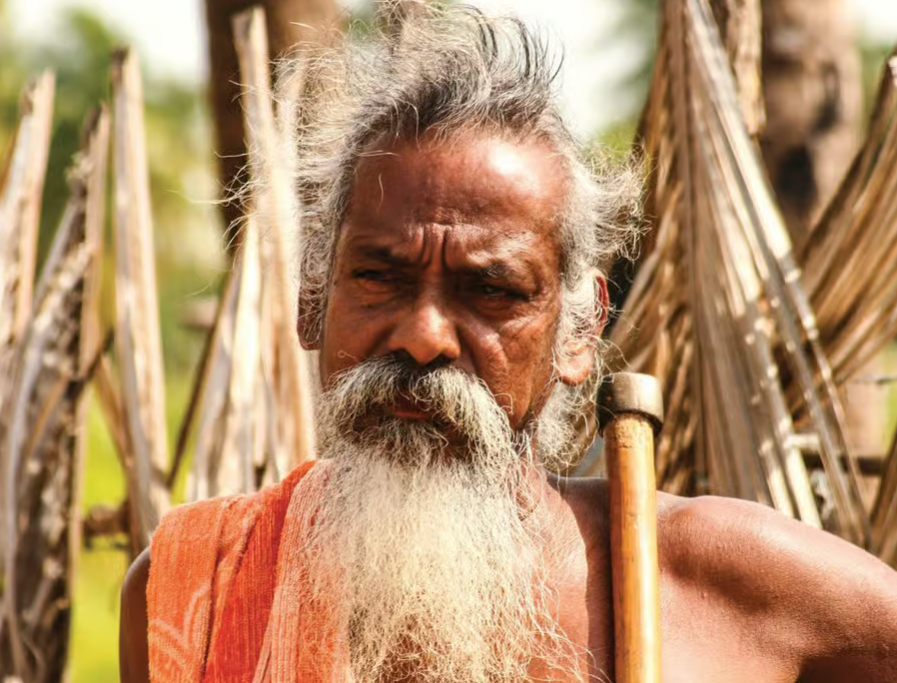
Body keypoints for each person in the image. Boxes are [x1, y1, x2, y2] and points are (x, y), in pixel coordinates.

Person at [119, 5, 897, 682]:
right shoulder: (196, 591)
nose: (424, 338)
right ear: (312, 299)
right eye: (380, 277)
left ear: (579, 331)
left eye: (489, 291)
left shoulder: (718, 585)